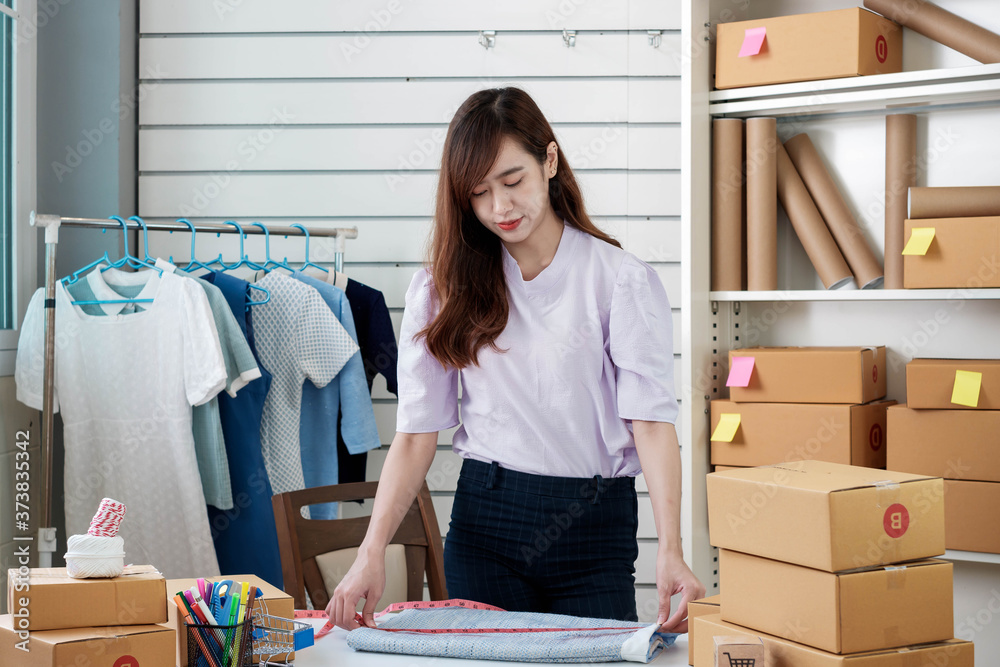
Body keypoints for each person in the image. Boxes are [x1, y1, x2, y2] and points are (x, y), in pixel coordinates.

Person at [328, 87, 704, 631]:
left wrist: (671, 547)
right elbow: (414, 434)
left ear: (549, 161)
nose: (500, 208)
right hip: (487, 526)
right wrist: (370, 552)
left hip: (594, 527)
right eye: (479, 193)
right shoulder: (443, 288)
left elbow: (650, 422)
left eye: (512, 181)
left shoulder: (618, 279)